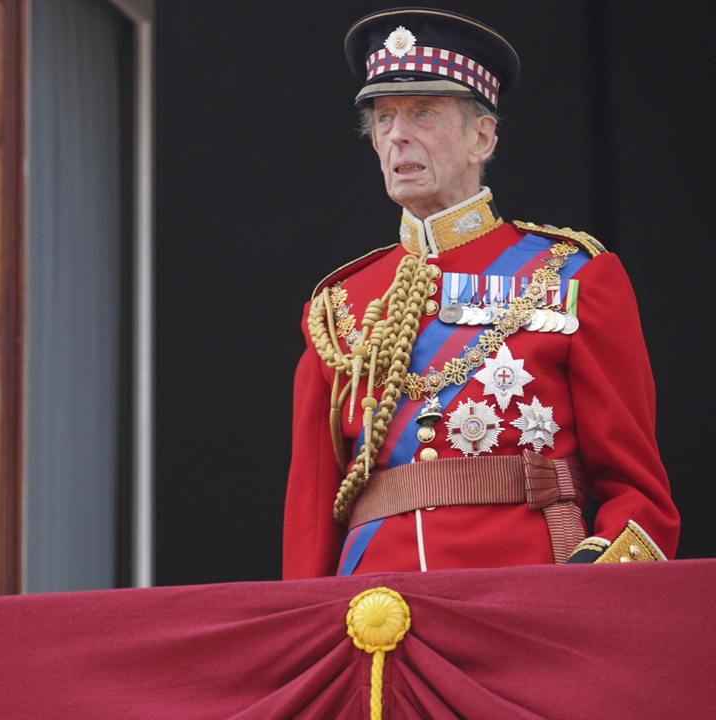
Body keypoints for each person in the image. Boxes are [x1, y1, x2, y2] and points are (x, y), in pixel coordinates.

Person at [282, 8, 679, 579]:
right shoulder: (340, 303)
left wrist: (588, 583)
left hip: (525, 603)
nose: (398, 135)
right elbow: (312, 515)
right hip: (372, 611)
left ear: (481, 137)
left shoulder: (573, 276)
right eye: (384, 117)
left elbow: (639, 495)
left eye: (423, 113)